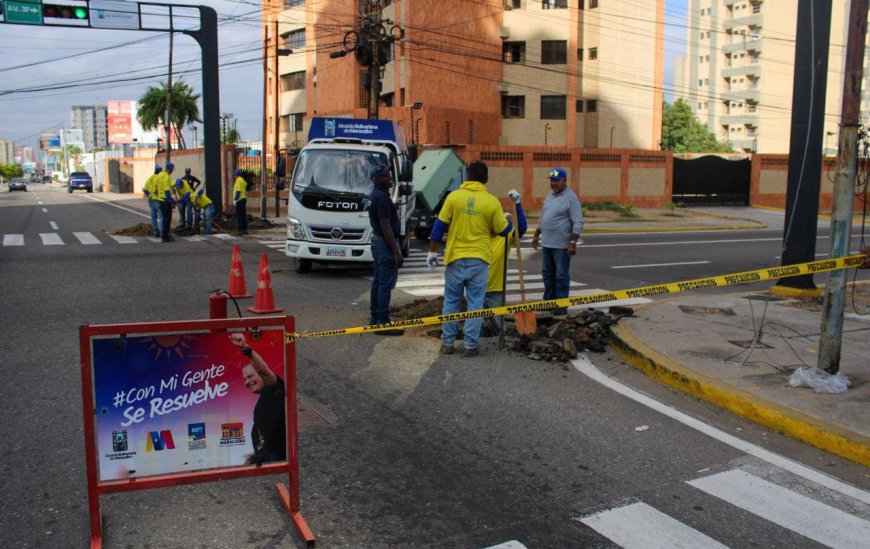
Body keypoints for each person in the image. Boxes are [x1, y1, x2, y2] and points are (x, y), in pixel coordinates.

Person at [427, 160, 512, 357]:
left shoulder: (453, 197)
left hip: (455, 258)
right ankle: (470, 346)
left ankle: (447, 343)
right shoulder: (491, 202)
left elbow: (439, 226)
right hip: (479, 260)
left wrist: (432, 251)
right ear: (486, 179)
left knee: (451, 302)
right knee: (475, 304)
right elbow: (503, 230)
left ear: (467, 176)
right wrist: (507, 219)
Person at [531, 168, 583, 316]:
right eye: (551, 180)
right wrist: (536, 235)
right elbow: (543, 217)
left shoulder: (571, 198)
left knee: (561, 275)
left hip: (561, 246)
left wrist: (572, 243)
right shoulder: (550, 196)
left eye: (556, 180)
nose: (553, 183)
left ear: (564, 180)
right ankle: (549, 301)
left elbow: (578, 222)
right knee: (547, 273)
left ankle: (561, 306)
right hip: (547, 243)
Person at [229, 333, 286, 465]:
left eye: (250, 376)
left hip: (279, 462)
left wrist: (247, 350)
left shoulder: (275, 389)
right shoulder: (260, 406)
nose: (247, 382)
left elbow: (264, 371)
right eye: (245, 379)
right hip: (268, 461)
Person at [367, 163, 404, 335]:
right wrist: (396, 251)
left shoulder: (376, 195)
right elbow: (386, 225)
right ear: (378, 179)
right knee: (385, 285)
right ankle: (382, 322)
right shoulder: (381, 198)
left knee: (378, 282)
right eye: (386, 176)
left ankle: (375, 317)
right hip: (384, 244)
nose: (390, 178)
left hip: (378, 242)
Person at [483, 189, 527, 335]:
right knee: (476, 324)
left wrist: (518, 205)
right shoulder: (480, 236)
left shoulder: (505, 238)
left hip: (496, 290)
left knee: (496, 327)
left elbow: (521, 229)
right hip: (476, 289)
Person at [155, 162, 176, 242]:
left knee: (164, 218)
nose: (172, 171)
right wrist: (172, 202)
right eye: (172, 169)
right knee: (167, 219)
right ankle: (165, 236)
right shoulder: (166, 177)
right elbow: (167, 192)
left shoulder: (160, 175)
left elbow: (157, 187)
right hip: (165, 200)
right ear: (170, 169)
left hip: (160, 200)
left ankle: (164, 234)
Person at [142, 166, 162, 237]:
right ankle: (163, 232)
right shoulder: (159, 178)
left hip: (151, 200)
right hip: (158, 200)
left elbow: (144, 189)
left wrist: (149, 195)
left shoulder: (150, 178)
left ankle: (155, 231)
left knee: (153, 217)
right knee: (162, 216)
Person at [233, 169, 248, 235]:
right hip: (243, 199)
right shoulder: (242, 180)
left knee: (240, 215)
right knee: (243, 215)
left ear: (236, 175)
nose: (234, 176)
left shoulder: (238, 180)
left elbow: (238, 191)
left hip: (239, 200)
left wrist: (235, 200)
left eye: (234, 175)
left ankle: (241, 230)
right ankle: (245, 230)